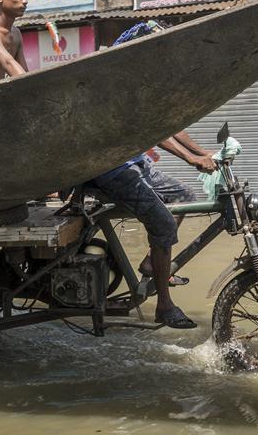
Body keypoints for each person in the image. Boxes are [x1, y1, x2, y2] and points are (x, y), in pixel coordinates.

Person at [92, 133, 216, 329]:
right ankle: (164, 306)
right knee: (164, 225)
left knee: (185, 195)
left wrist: (203, 152)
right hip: (115, 171)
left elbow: (171, 127)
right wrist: (191, 158)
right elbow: (157, 131)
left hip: (138, 163)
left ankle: (153, 260)